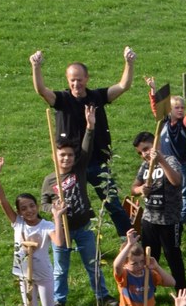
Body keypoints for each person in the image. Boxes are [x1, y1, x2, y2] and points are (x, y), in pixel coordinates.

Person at [29, 48, 135, 234]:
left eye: (79, 79)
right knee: (75, 206)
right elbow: (40, 90)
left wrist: (129, 63)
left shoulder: (97, 97)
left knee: (113, 203)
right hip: (72, 165)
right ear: (67, 80)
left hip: (98, 162)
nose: (76, 84)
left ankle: (128, 240)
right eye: (72, 80)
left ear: (87, 78)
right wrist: (36, 67)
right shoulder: (62, 99)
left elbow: (123, 86)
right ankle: (81, 242)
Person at [0, 157, 63, 306]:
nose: (29, 211)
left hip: (44, 274)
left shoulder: (46, 226)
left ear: (37, 205)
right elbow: (2, 201)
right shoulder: (17, 223)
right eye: (24, 208)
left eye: (32, 206)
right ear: (19, 212)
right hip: (24, 275)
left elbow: (59, 243)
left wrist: (57, 217)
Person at [40, 114, 112, 306]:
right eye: (62, 155)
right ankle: (59, 300)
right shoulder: (50, 180)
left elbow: (86, 149)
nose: (66, 158)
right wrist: (53, 209)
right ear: (55, 156)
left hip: (83, 227)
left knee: (92, 263)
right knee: (60, 269)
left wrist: (90, 127)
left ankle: (103, 295)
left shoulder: (78, 169)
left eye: (70, 155)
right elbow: (43, 203)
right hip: (61, 231)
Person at [131, 131, 186, 291]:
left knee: (173, 257)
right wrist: (140, 189)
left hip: (169, 221)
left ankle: (181, 291)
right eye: (141, 152)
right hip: (149, 220)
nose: (144, 154)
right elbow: (133, 188)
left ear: (157, 145)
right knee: (149, 258)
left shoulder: (170, 161)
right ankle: (148, 290)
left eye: (146, 148)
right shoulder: (144, 166)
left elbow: (176, 181)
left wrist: (161, 160)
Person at [145, 78, 186, 222]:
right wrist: (153, 90)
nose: (180, 110)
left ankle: (182, 218)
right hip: (167, 164)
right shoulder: (164, 122)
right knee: (167, 190)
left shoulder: (182, 125)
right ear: (169, 109)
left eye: (182, 107)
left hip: (183, 164)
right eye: (177, 108)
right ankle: (169, 212)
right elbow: (156, 108)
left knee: (184, 191)